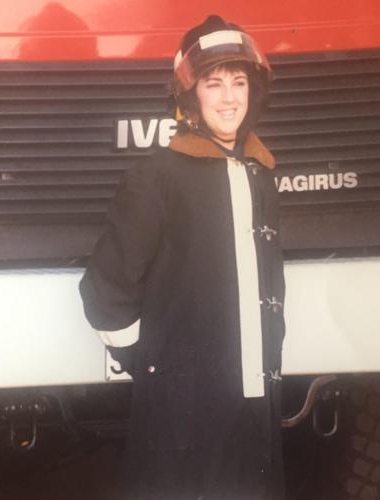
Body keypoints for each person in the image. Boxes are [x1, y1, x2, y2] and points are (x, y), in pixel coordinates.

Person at [79, 14, 286, 500]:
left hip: (255, 401)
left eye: (239, 83)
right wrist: (152, 365)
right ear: (191, 96)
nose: (230, 98)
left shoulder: (260, 174)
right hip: (182, 412)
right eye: (214, 85)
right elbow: (105, 290)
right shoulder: (156, 177)